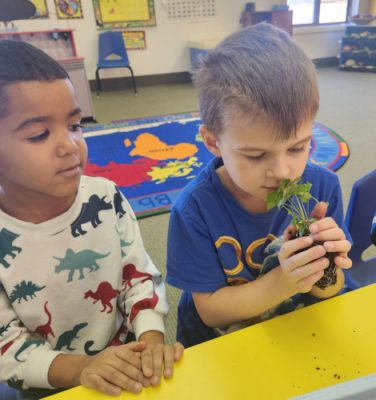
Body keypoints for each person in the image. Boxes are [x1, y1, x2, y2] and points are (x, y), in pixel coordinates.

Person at [0, 39, 183, 398]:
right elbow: (6, 347)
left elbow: (139, 276)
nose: (70, 145)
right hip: (49, 380)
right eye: (39, 134)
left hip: (129, 358)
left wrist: (150, 338)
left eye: (75, 125)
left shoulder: (105, 196)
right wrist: (82, 370)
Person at [166, 23, 352, 348]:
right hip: (220, 345)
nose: (282, 172)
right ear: (213, 142)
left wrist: (325, 263)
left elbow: (331, 289)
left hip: (294, 333)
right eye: (255, 155)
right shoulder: (194, 209)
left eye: (297, 147)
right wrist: (284, 280)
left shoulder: (323, 186)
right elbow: (210, 311)